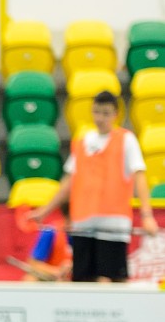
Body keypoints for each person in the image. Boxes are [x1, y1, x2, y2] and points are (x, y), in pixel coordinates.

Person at [29, 91, 159, 282]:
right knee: (83, 280)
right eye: (97, 112)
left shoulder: (126, 140)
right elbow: (68, 182)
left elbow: (139, 177)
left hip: (113, 225)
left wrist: (147, 216)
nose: (100, 118)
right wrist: (44, 211)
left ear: (116, 114)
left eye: (106, 113)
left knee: (114, 279)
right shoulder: (82, 143)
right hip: (83, 225)